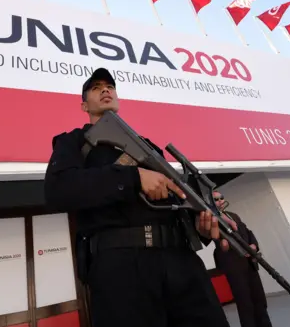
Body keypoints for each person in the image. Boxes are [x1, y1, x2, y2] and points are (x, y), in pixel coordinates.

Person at [44, 67, 235, 327]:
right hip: (121, 270)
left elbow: (174, 201)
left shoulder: (148, 146)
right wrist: (133, 179)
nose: (105, 90)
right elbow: (59, 190)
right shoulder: (74, 142)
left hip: (181, 261)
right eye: (96, 87)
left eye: (110, 86)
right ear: (83, 105)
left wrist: (202, 224)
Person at [213, 197, 273, 327]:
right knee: (245, 303)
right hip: (234, 266)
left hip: (250, 264)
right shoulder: (212, 220)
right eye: (216, 199)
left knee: (259, 300)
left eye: (221, 197)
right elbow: (220, 244)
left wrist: (254, 246)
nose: (220, 200)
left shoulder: (233, 215)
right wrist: (223, 244)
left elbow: (248, 232)